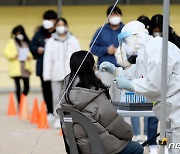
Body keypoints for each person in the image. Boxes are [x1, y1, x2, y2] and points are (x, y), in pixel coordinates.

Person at [100, 21, 180, 154]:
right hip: (170, 109)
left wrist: (130, 85)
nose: (124, 46)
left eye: (125, 41)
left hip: (177, 105)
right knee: (173, 148)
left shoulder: (155, 47)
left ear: (135, 37)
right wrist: (115, 71)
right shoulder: (145, 52)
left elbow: (155, 85)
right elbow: (135, 74)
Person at [59, 50, 143, 154]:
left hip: (79, 149)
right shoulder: (96, 94)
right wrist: (129, 133)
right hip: (101, 148)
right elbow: (118, 127)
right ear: (93, 67)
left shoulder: (64, 94)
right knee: (137, 148)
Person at [43, 17, 81, 128]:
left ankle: (70, 118)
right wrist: (47, 74)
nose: (61, 27)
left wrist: (78, 73)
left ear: (66, 26)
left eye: (62, 24)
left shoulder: (73, 40)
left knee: (70, 97)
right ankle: (57, 118)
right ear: (55, 27)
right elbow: (47, 59)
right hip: (56, 74)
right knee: (56, 98)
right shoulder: (51, 41)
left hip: (70, 74)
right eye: (58, 25)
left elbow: (78, 57)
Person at [90, 5, 124, 102]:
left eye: (116, 14)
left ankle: (121, 117)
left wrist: (119, 51)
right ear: (108, 17)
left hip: (121, 70)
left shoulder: (125, 30)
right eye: (111, 15)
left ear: (120, 15)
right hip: (104, 70)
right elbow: (93, 47)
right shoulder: (101, 31)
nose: (114, 17)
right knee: (106, 96)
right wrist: (106, 50)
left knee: (121, 97)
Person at [30, 10, 57, 117]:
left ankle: (57, 110)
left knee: (57, 90)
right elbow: (32, 46)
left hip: (56, 67)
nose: (49, 21)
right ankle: (49, 110)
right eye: (47, 19)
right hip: (43, 66)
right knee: (46, 90)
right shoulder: (39, 33)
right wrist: (37, 49)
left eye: (51, 19)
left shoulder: (59, 32)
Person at [3, 25, 32, 106]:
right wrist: (14, 55)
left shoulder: (26, 42)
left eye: (20, 33)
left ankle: (22, 99)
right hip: (16, 67)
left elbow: (30, 53)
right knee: (18, 87)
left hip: (25, 67)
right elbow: (6, 53)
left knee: (27, 87)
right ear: (15, 33)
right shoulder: (11, 42)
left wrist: (29, 57)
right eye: (17, 33)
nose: (19, 34)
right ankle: (20, 104)